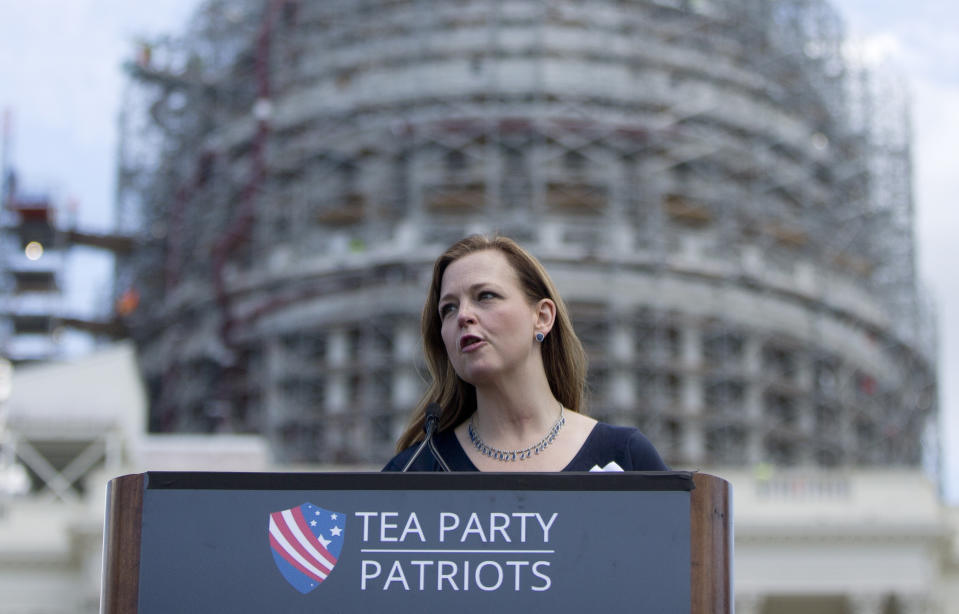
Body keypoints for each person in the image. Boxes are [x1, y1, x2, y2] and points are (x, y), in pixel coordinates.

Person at [382, 234, 667, 472]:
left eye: (485, 296)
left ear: (542, 316)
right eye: (449, 308)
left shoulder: (624, 456)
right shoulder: (417, 470)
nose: (463, 316)